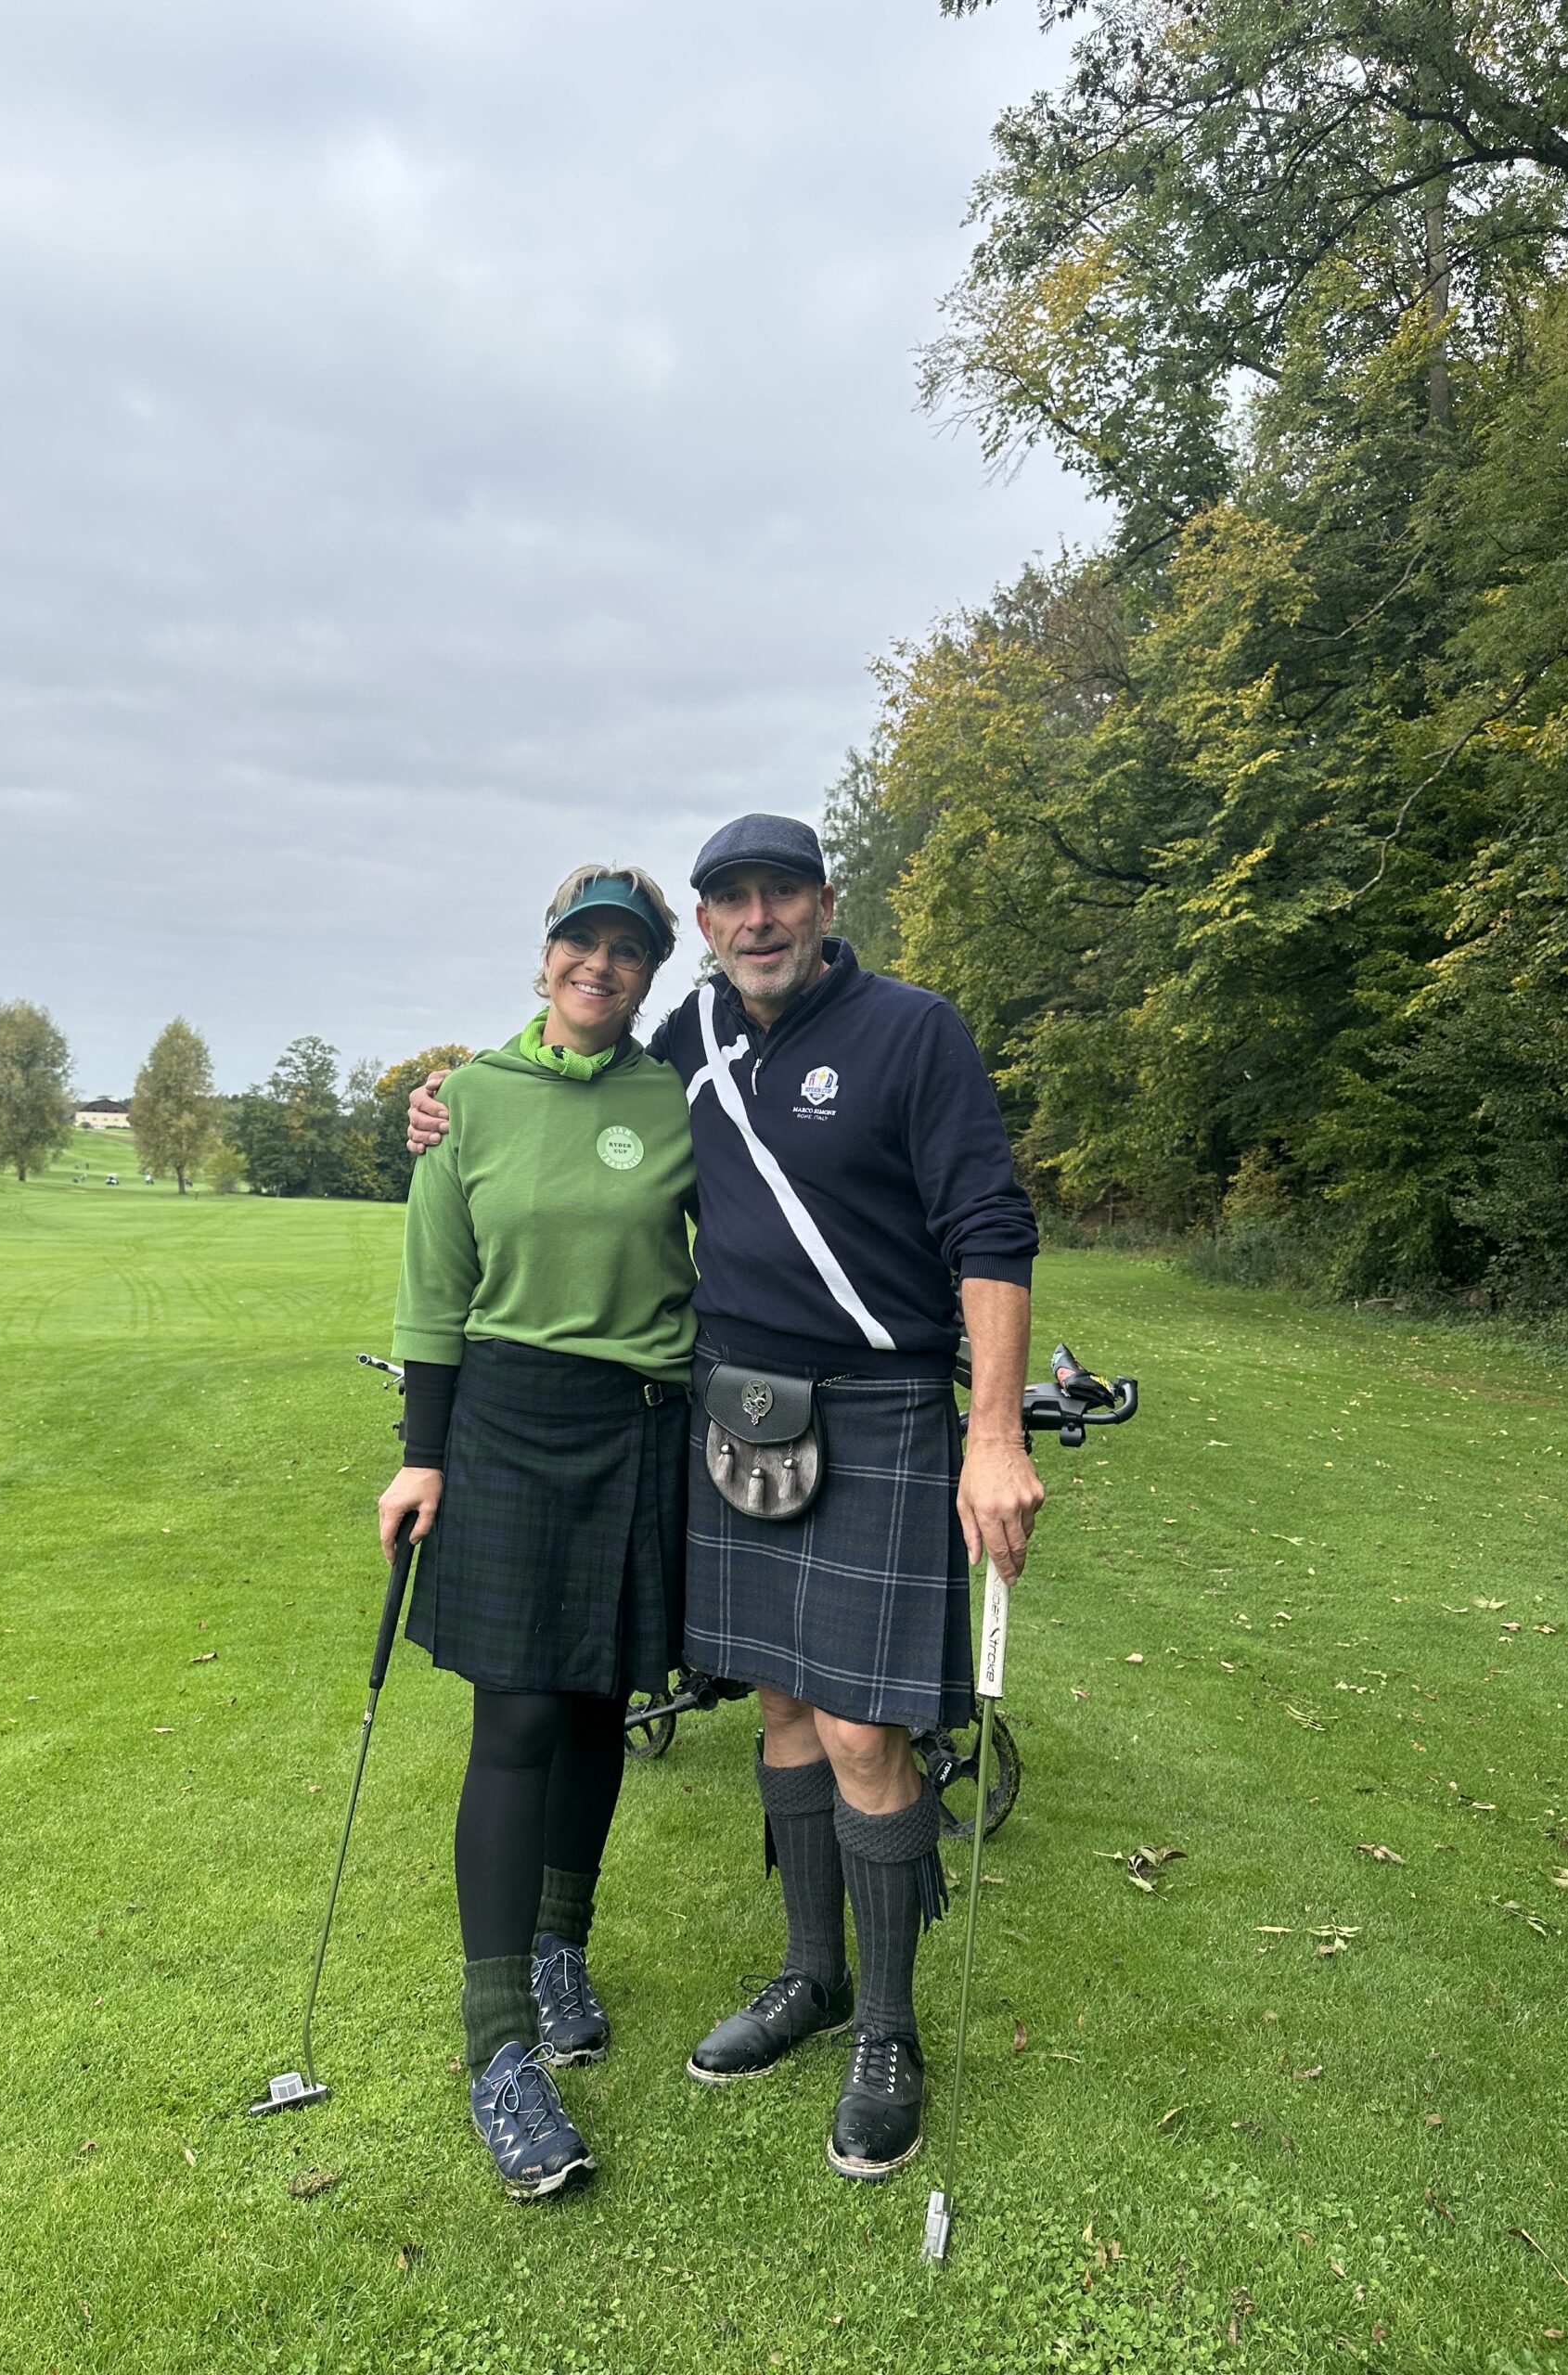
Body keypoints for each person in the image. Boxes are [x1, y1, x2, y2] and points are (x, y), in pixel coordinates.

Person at [409, 815, 1042, 2183]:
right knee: (782, 1707)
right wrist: (449, 1099)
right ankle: (812, 1973)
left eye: (781, 894)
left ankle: (888, 2030)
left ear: (824, 903)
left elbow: (991, 1227)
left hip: (880, 1405)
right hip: (740, 1408)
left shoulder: (913, 1031)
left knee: (864, 1729)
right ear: (705, 928)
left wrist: (995, 1432)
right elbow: (567, 1073)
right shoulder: (689, 1043)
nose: (758, 919)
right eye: (732, 901)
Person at [378, 863, 697, 2202]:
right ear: (546, 954)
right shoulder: (467, 1100)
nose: (600, 966)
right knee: (515, 1719)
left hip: (640, 1422)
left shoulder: (679, 1096)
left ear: (651, 972)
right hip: (506, 1421)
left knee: (596, 1703)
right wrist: (422, 1458)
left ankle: (563, 1948)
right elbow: (433, 1290)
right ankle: (499, 2045)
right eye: (583, 942)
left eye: (628, 950)